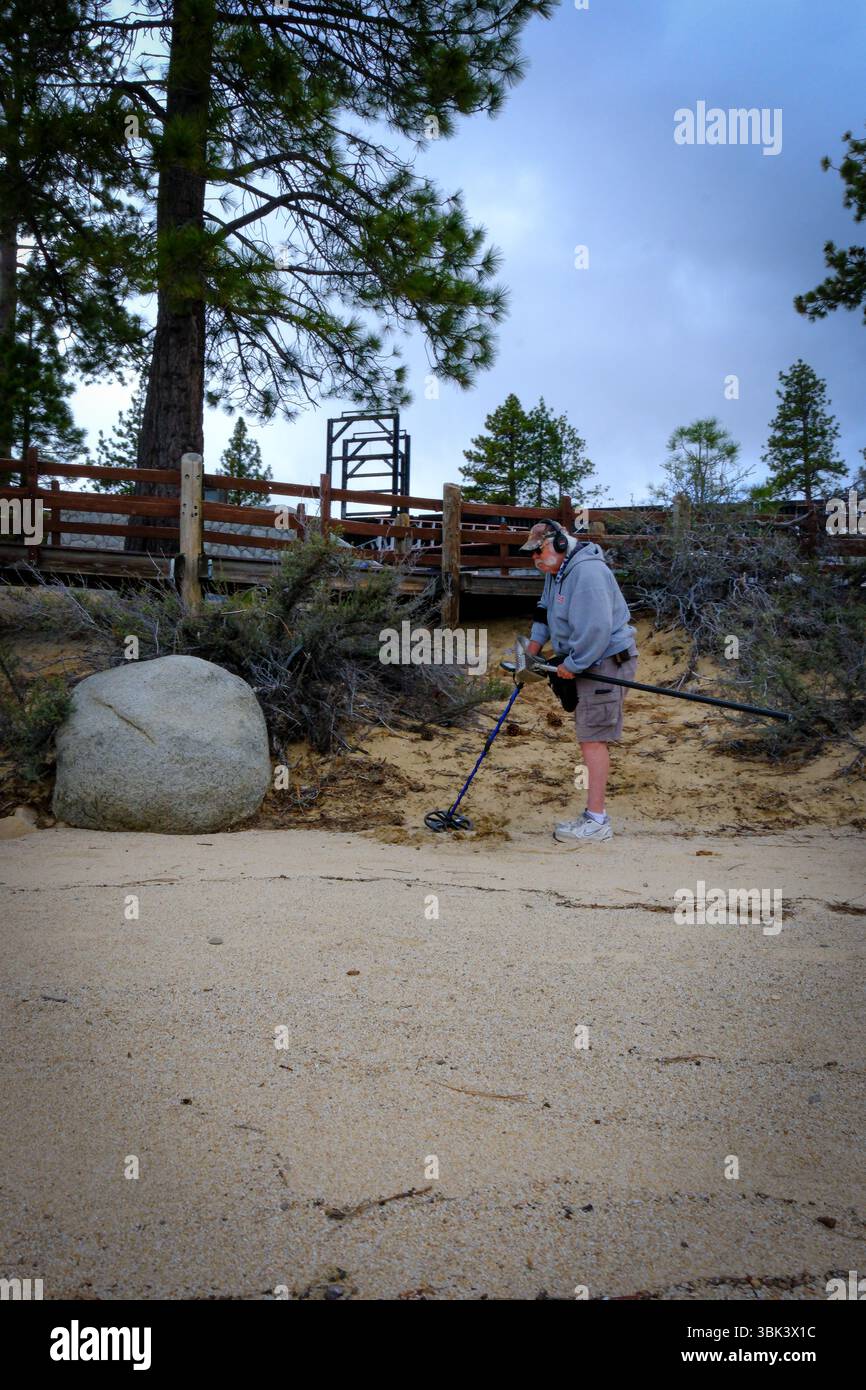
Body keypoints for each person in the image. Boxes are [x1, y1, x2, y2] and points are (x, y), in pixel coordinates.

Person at [520, 519, 638, 844]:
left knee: (593, 738)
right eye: (531, 554)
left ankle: (597, 821)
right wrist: (531, 652)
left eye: (538, 551)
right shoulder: (557, 571)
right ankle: (594, 816)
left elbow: (596, 630)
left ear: (559, 544)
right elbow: (544, 610)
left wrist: (573, 664)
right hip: (590, 659)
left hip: (606, 662)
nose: (535, 559)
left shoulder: (587, 574)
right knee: (589, 735)